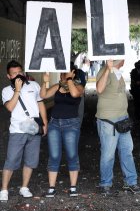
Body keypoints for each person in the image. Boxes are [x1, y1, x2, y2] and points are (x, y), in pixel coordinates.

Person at [1, 60, 47, 202]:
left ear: (24, 73)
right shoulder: (6, 90)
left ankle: (24, 187)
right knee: (11, 160)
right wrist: (17, 90)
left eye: (20, 72)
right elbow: (9, 107)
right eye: (14, 74)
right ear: (9, 76)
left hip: (33, 128)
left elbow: (40, 103)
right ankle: (4, 189)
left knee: (30, 160)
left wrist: (45, 123)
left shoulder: (33, 85)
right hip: (17, 130)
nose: (18, 75)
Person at [95, 59, 140, 195]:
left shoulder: (118, 72)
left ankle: (131, 182)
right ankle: (105, 183)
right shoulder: (104, 71)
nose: (124, 61)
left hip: (123, 119)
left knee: (127, 151)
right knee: (108, 154)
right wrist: (108, 69)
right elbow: (99, 89)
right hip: (108, 121)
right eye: (122, 59)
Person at [40, 67, 84, 197]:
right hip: (54, 123)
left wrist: (69, 78)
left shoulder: (79, 87)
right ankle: (51, 188)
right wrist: (45, 82)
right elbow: (43, 95)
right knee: (54, 155)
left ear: (71, 74)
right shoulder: (57, 86)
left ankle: (73, 187)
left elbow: (75, 94)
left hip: (71, 124)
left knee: (71, 155)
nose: (60, 74)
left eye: (63, 72)